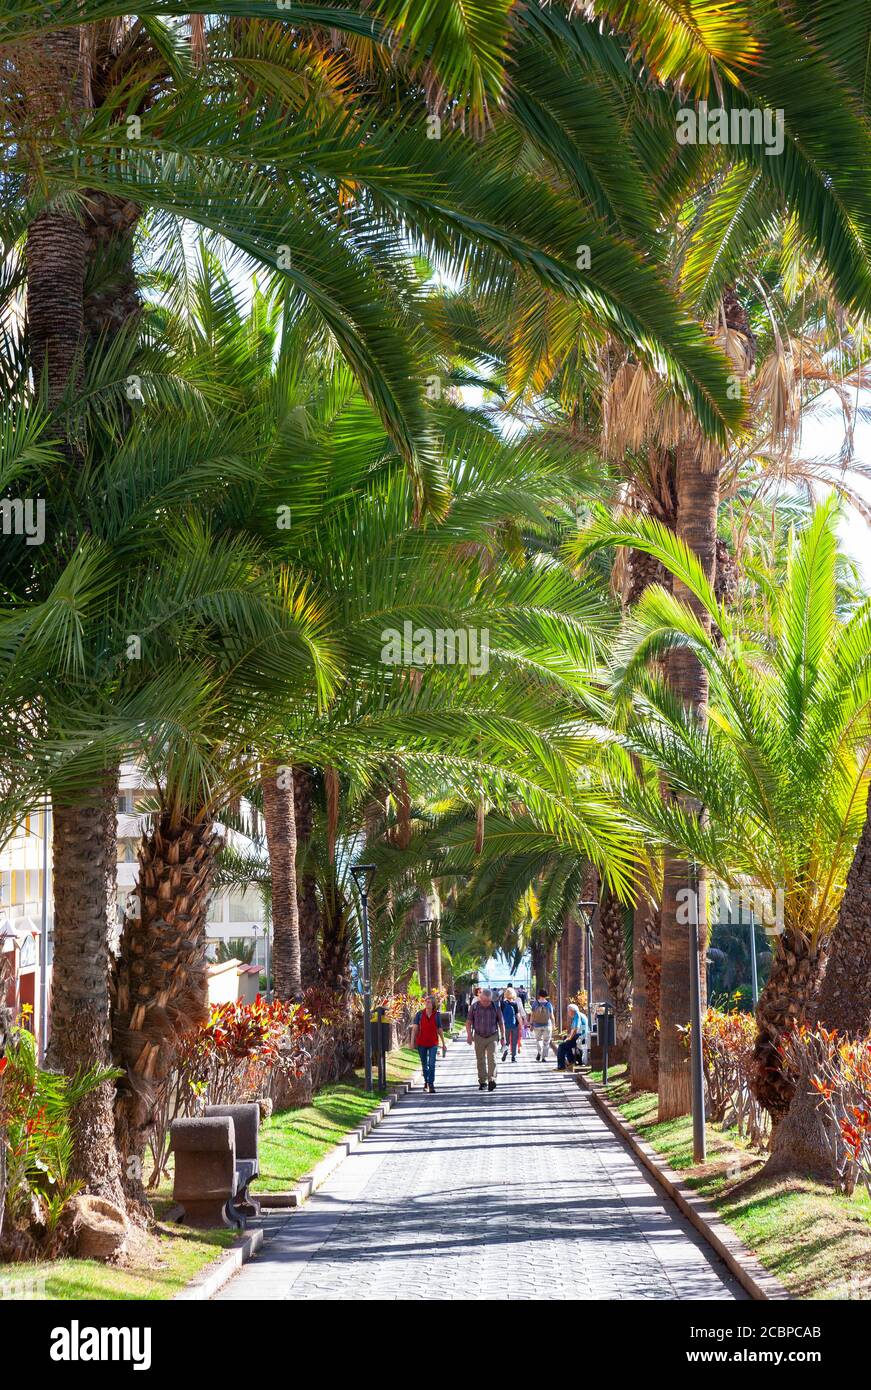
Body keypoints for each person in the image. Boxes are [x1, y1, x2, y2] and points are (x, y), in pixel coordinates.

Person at [466, 986, 505, 1091]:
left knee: (492, 1058)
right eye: (483, 1001)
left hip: (492, 1036)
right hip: (478, 1036)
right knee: (480, 1060)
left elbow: (501, 1023)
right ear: (480, 998)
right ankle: (483, 1081)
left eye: (488, 1001)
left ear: (491, 999)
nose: (485, 1003)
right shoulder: (474, 1007)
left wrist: (503, 1037)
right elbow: (468, 1022)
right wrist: (469, 1035)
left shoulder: (495, 1007)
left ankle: (492, 1079)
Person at [412, 994, 447, 1093]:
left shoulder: (437, 1015)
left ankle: (431, 1084)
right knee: (424, 1064)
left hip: (433, 1043)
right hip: (421, 1043)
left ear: (433, 1004)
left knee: (432, 1064)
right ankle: (426, 1081)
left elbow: (439, 1029)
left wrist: (443, 1043)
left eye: (429, 1001)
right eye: (426, 1001)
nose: (427, 1003)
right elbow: (415, 1028)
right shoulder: (419, 1014)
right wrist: (411, 1042)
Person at [557, 997, 588, 1071]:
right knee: (565, 1041)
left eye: (568, 1011)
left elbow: (575, 1028)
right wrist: (568, 1037)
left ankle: (561, 1066)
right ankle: (571, 1060)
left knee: (561, 1046)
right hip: (581, 1036)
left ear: (571, 1011)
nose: (568, 1013)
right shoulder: (579, 1015)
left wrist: (570, 1038)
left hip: (581, 1037)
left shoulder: (577, 1015)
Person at [529, 988, 555, 1061]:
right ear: (546, 995)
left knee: (538, 1040)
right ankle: (544, 1057)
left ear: (539, 995)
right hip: (547, 1025)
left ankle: (539, 1052)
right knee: (546, 1042)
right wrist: (553, 1025)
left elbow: (532, 1015)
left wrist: (531, 1024)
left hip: (537, 1025)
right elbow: (552, 1016)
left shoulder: (535, 1003)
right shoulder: (549, 1004)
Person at [500, 986, 523, 1062]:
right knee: (514, 1041)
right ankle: (513, 1057)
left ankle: (505, 1053)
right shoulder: (514, 1004)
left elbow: (500, 1015)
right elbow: (517, 1015)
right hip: (514, 1025)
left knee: (506, 1041)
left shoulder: (502, 1003)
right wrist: (521, 1024)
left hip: (505, 1025)